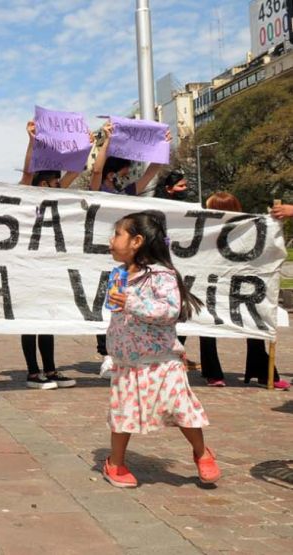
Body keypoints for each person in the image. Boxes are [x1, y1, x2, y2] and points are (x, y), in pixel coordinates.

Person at [102, 211, 220, 488]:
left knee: (181, 408)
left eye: (117, 234)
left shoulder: (161, 275)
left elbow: (169, 311)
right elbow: (116, 312)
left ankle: (202, 453)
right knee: (123, 414)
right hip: (128, 362)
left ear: (137, 241)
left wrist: (131, 303)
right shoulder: (118, 274)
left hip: (162, 360)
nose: (111, 240)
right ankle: (115, 463)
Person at [90, 122, 171, 376]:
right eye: (124, 170)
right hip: (99, 255)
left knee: (122, 301)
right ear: (114, 171)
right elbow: (96, 171)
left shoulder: (126, 191)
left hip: (125, 259)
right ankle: (106, 352)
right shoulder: (98, 188)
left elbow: (152, 171)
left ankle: (122, 350)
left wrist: (162, 146)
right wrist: (104, 145)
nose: (128, 175)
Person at [188, 192, 289, 390]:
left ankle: (259, 369)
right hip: (212, 285)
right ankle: (213, 371)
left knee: (254, 321)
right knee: (208, 323)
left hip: (239, 285)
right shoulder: (204, 231)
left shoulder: (249, 230)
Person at [17, 121, 84, 389]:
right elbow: (26, 171)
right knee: (27, 320)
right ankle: (33, 372)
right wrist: (32, 142)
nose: (61, 184)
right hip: (24, 266)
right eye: (57, 181)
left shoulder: (56, 199)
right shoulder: (24, 194)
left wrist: (85, 145)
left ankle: (51, 370)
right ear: (45, 181)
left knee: (47, 318)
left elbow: (75, 171)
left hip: (47, 267)